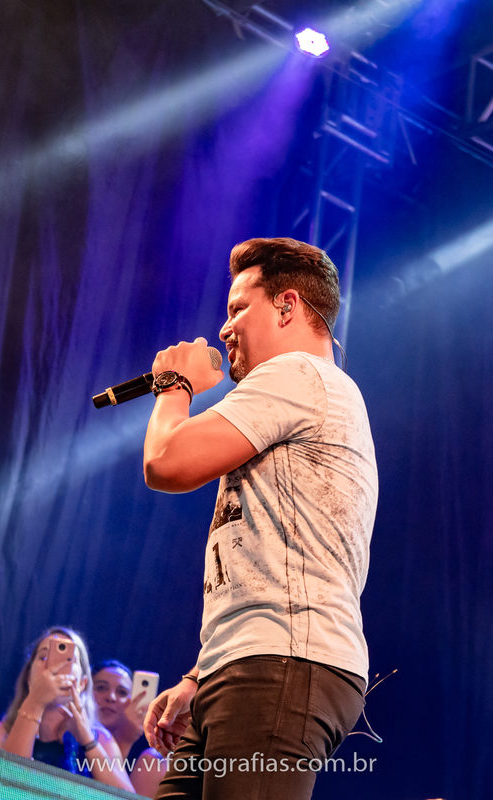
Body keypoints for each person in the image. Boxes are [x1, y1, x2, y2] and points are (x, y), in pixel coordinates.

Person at [141, 237, 377, 799]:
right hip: (250, 660)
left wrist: (175, 385)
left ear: (287, 306)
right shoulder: (305, 389)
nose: (224, 329)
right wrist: (201, 674)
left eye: (237, 309)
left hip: (280, 662)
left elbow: (166, 462)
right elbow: (273, 557)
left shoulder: (298, 373)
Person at [0, 628, 133, 792]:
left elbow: (126, 797)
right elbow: (8, 788)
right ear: (28, 677)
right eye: (44, 657)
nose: (53, 666)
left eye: (69, 659)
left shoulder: (101, 739)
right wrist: (34, 702)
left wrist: (88, 741)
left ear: (82, 683)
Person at [91, 660, 167, 798]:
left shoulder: (148, 758)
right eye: (101, 688)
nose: (111, 697)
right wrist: (124, 740)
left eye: (122, 692)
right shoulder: (72, 738)